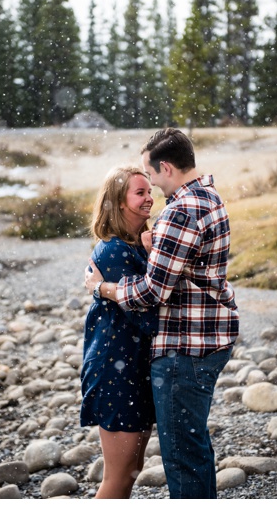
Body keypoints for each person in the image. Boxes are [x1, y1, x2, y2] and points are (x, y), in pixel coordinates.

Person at [84, 128, 239, 499]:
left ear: (165, 167)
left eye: (150, 178)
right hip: (148, 358)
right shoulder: (208, 197)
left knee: (183, 456)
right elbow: (162, 288)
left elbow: (153, 292)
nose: (151, 191)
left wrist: (102, 288)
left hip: (184, 346)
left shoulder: (181, 211)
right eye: (140, 190)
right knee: (181, 453)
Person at [80, 165, 158, 499]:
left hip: (133, 368)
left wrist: (152, 253)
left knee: (131, 473)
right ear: (118, 202)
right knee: (119, 477)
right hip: (116, 371)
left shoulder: (137, 245)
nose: (149, 199)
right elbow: (147, 313)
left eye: (149, 191)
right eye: (140, 193)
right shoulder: (113, 251)